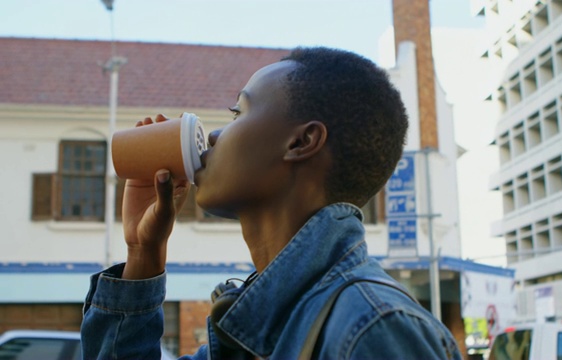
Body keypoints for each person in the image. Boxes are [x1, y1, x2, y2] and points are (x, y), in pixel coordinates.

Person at [81, 46, 462, 359]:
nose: (213, 136)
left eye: (238, 112)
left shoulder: (372, 328)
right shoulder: (256, 327)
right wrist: (143, 254)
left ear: (301, 142)